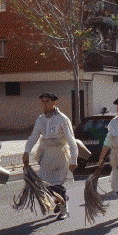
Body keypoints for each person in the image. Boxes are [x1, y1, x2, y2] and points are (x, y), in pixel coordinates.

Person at [23, 92, 78, 220]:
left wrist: (74, 159)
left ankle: (64, 210)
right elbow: (34, 136)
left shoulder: (62, 119)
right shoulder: (40, 119)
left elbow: (71, 140)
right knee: (45, 185)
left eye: (47, 101)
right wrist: (26, 151)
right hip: (46, 155)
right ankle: (62, 198)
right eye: (43, 101)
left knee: (57, 184)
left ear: (54, 102)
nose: (45, 104)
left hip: (60, 155)